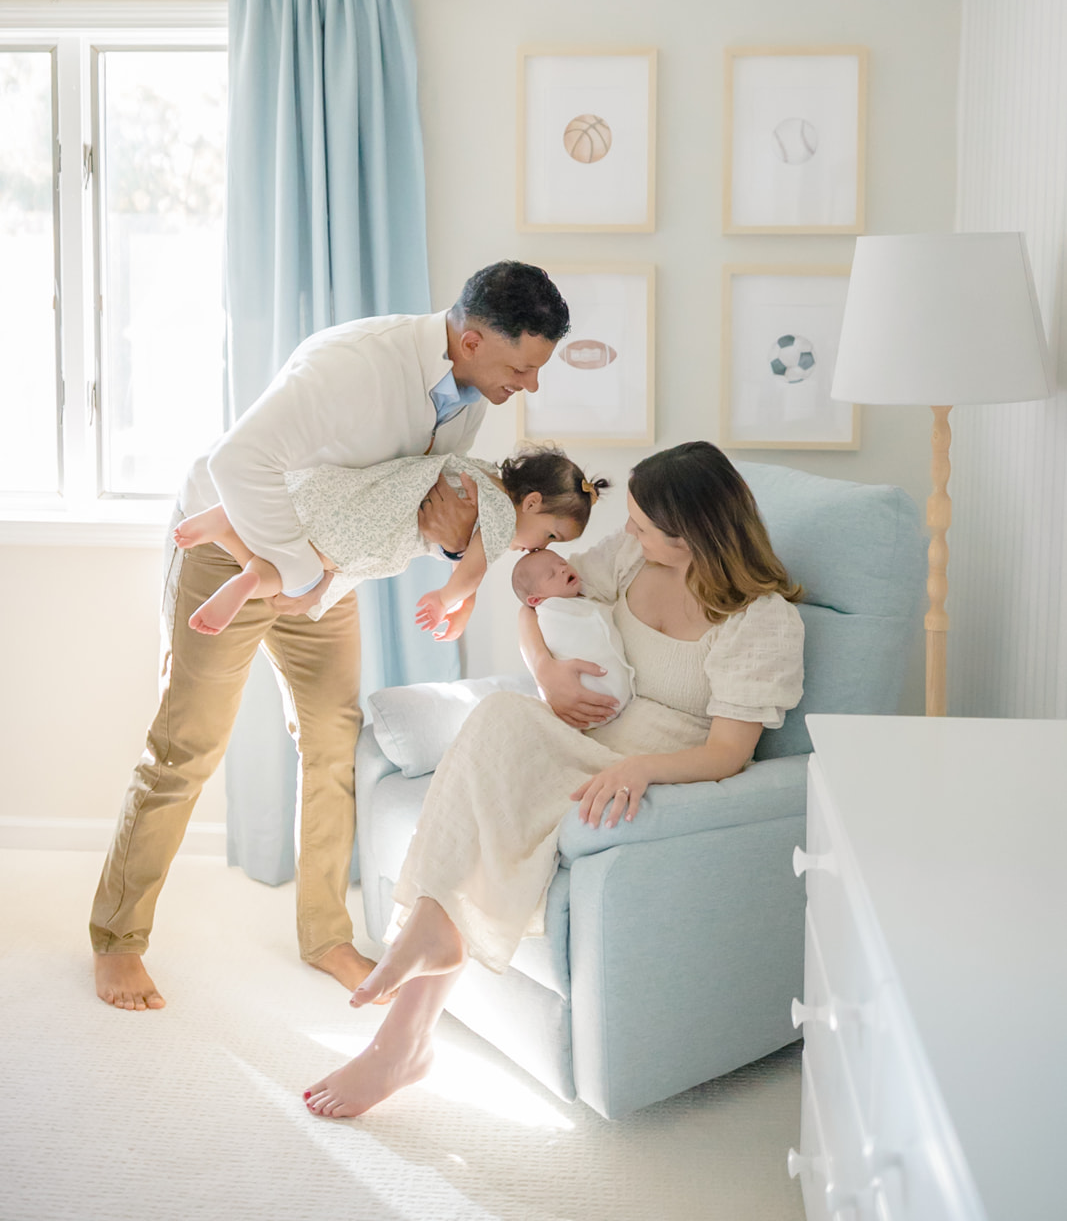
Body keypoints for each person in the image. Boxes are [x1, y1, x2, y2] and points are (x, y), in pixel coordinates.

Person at [90, 261, 570, 1013]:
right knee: (187, 747)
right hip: (236, 551)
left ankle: (323, 934)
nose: (529, 386)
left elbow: (414, 505)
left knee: (332, 743)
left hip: (327, 571)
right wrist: (288, 574)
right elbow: (237, 461)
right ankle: (116, 940)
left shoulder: (472, 396)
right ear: (471, 338)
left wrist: (448, 553)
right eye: (522, 366)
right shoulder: (353, 364)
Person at [303, 440, 806, 1119]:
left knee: (492, 815)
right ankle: (421, 973)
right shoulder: (631, 559)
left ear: (690, 537)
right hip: (580, 733)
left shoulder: (762, 621)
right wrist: (543, 671)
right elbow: (534, 603)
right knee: (502, 717)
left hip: (655, 764)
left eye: (641, 525)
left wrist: (639, 767)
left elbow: (728, 754)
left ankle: (401, 1036)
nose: (624, 533)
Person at [172, 448, 609, 639]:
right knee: (297, 577)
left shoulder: (480, 473)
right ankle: (250, 576)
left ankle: (229, 525)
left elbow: (467, 561)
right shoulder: (501, 513)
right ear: (531, 502)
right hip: (365, 531)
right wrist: (445, 599)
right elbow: (472, 570)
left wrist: (465, 603)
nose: (540, 548)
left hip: (341, 494)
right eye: (551, 535)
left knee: (292, 560)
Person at [510, 547, 634, 722]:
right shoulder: (549, 611)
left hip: (616, 693)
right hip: (581, 691)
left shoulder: (581, 600)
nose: (563, 569)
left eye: (563, 563)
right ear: (536, 600)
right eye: (551, 574)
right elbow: (526, 612)